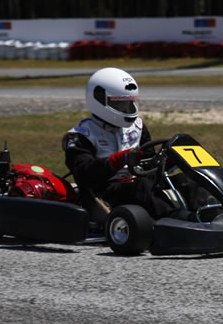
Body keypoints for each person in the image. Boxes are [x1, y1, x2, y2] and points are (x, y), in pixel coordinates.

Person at [62, 67, 166, 219]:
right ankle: (177, 221)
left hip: (137, 184)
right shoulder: (81, 136)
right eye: (120, 105)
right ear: (99, 100)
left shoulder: (137, 127)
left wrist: (165, 160)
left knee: (185, 180)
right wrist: (119, 160)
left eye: (129, 104)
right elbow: (84, 174)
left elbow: (148, 162)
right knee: (143, 187)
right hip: (104, 193)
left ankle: (205, 213)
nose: (126, 109)